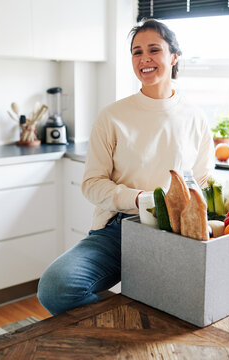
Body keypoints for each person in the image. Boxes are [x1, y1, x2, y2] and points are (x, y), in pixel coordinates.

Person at [37, 19, 214, 315]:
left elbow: (203, 180)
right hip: (119, 229)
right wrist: (138, 199)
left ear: (173, 57)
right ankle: (123, 324)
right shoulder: (112, 116)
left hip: (177, 232)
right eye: (136, 52)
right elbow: (92, 184)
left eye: (154, 49)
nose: (144, 58)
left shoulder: (196, 117)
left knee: (176, 307)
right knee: (56, 288)